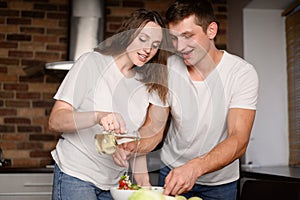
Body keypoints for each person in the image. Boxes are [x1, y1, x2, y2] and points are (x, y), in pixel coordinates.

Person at [114, 0, 259, 199]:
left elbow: (239, 139)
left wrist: (195, 168)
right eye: (174, 38)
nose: (180, 47)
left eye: (188, 36)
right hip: (172, 175)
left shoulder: (241, 73)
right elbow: (154, 128)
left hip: (219, 184)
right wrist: (132, 144)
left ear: (211, 30)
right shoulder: (168, 68)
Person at [48, 9, 170, 200]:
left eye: (155, 45)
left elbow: (136, 142)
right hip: (77, 175)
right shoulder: (91, 63)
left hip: (114, 184)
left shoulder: (147, 84)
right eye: (143, 39)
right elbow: (56, 121)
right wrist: (98, 116)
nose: (148, 49)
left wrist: (145, 186)